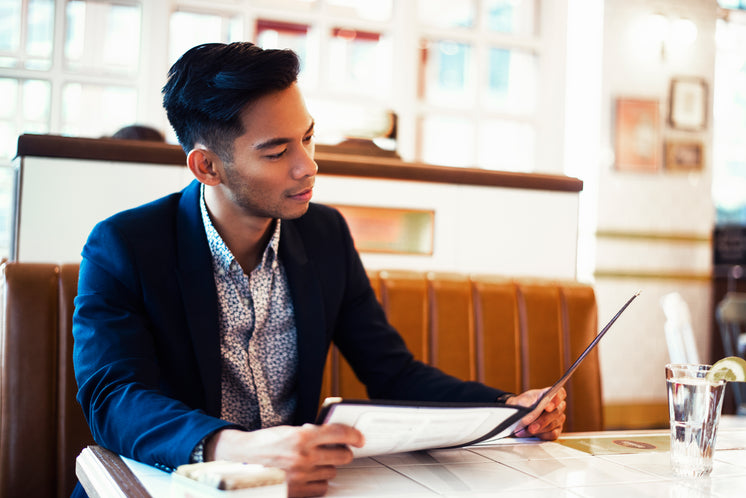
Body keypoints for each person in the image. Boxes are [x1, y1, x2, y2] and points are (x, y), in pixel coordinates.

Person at [72, 42, 566, 498]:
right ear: (207, 167)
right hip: (171, 484)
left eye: (308, 139)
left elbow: (392, 372)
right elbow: (114, 397)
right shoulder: (126, 245)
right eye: (277, 151)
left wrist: (507, 410)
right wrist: (237, 448)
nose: (307, 166)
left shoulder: (325, 234)